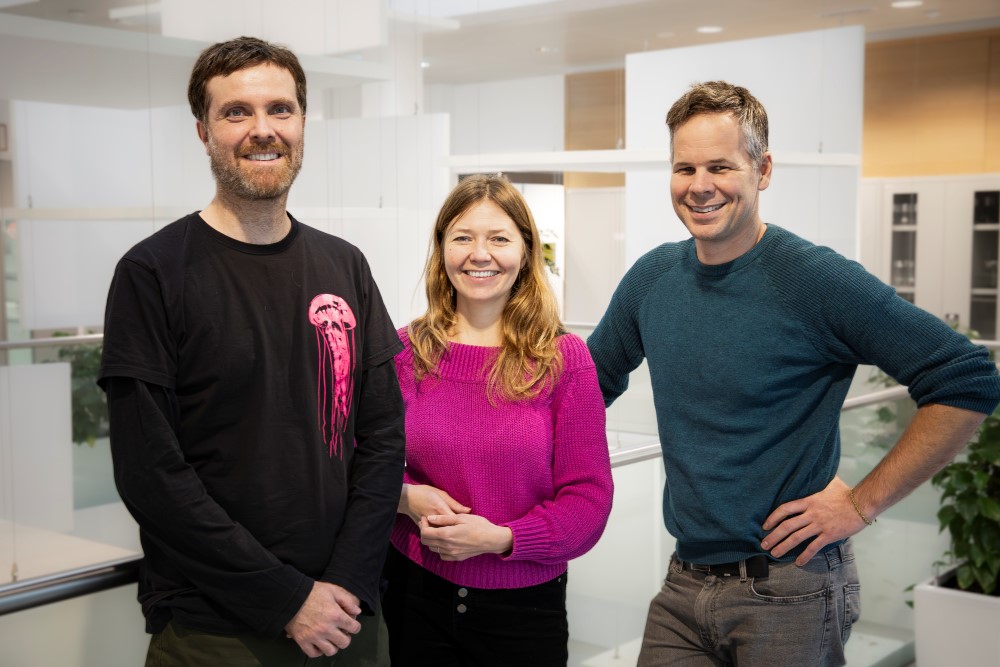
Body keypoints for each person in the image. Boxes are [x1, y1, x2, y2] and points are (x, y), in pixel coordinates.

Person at [586, 80, 1000, 666]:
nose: (699, 185)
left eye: (720, 166)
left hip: (791, 586)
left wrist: (860, 505)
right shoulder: (652, 279)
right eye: (684, 168)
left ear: (763, 170)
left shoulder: (814, 279)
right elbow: (584, 386)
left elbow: (967, 377)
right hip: (684, 581)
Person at [98, 36, 405, 666]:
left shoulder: (345, 265)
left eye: (280, 109)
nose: (262, 129)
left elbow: (382, 437)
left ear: (302, 123)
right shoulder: (152, 273)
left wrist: (347, 580)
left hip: (346, 618)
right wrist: (286, 599)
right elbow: (149, 473)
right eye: (236, 112)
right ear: (203, 132)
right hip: (217, 629)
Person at [381, 173, 614, 666]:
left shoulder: (563, 360)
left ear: (526, 252)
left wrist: (503, 538)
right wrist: (403, 497)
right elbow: (356, 459)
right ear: (442, 249)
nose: (479, 254)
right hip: (414, 592)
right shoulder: (405, 351)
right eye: (463, 237)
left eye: (499, 239)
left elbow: (588, 502)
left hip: (523, 610)